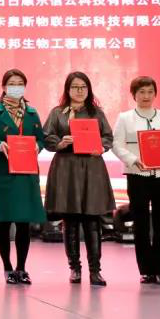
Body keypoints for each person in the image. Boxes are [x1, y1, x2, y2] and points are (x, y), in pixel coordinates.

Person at [43, 71, 115, 287]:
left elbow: (108, 137)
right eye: (75, 87)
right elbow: (46, 137)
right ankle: (75, 268)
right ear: (68, 90)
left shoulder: (96, 113)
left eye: (83, 87)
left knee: (93, 220)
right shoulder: (57, 113)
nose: (79, 90)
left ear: (89, 89)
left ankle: (95, 270)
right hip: (66, 168)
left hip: (92, 168)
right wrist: (60, 143)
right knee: (71, 220)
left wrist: (101, 147)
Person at [111, 76, 160, 286]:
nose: (146, 96)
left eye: (150, 92)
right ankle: (145, 270)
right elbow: (116, 144)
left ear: (155, 94)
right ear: (134, 95)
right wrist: (133, 160)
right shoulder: (125, 118)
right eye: (141, 92)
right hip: (137, 176)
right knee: (141, 224)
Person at [0, 69, 47, 285]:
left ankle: (22, 268)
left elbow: (41, 139)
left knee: (23, 223)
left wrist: (37, 146)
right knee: (4, 222)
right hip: (4, 173)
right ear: (3, 87)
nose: (16, 87)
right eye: (12, 83)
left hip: (26, 174)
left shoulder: (32, 113)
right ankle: (7, 268)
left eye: (20, 83)